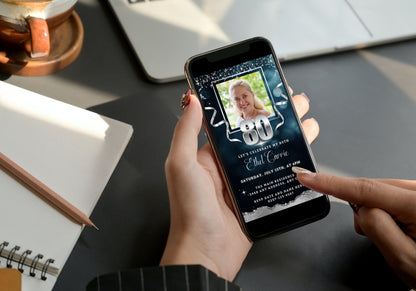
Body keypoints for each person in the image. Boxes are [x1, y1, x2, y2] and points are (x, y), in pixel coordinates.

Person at [87, 91, 416, 290]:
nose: (243, 101)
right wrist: (203, 258)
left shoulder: (261, 115)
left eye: (247, 96)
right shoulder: (236, 126)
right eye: (238, 98)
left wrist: (200, 260)